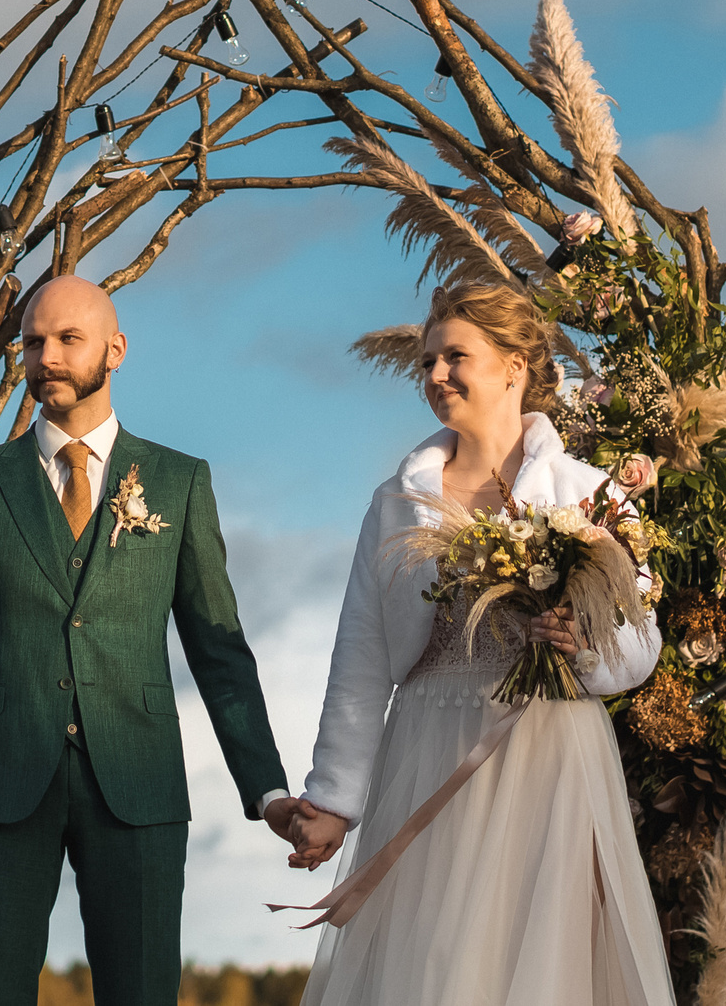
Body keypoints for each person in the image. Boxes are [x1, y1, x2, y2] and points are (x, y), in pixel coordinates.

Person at [266, 281, 675, 1006]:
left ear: (516, 364)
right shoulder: (397, 501)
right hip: (427, 751)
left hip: (550, 758)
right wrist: (333, 796)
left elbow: (639, 645)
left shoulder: (589, 493)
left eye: (455, 356)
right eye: (428, 362)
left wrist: (581, 643)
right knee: (432, 972)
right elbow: (360, 653)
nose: (434, 376)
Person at [0, 274, 292, 1006]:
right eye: (30, 342)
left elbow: (218, 649)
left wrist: (268, 787)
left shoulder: (180, 482)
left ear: (115, 349)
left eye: (66, 338)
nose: (44, 355)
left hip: (140, 782)